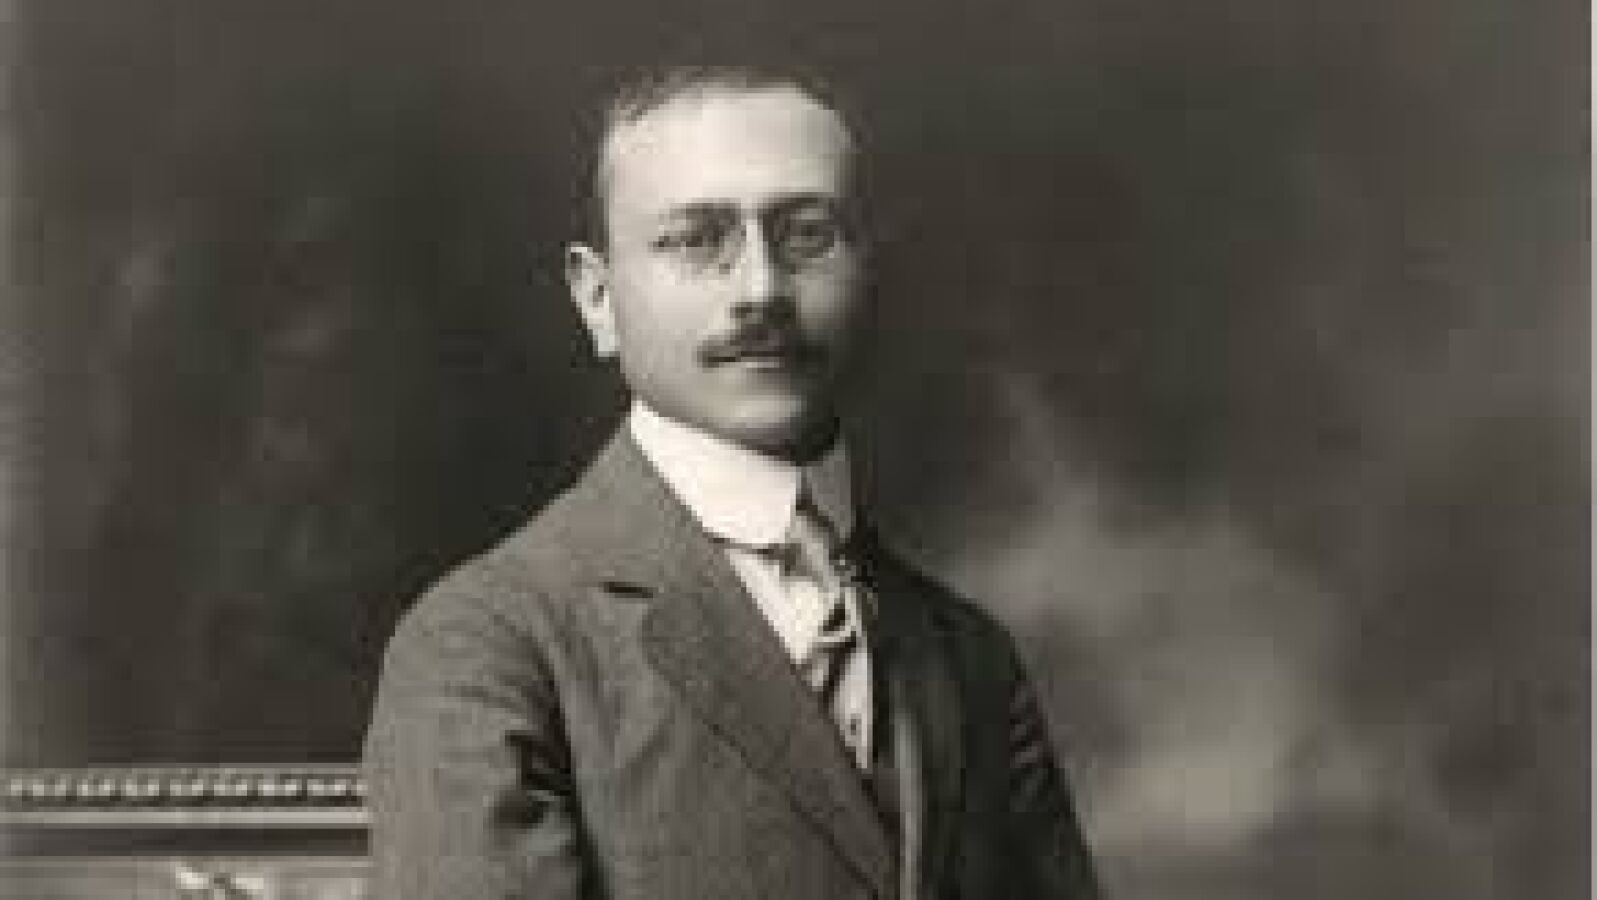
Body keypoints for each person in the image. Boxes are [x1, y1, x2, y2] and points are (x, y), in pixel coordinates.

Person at [363, 65, 1100, 899]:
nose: (760, 290)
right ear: (597, 298)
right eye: (695, 239)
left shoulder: (969, 657)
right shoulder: (489, 642)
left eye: (807, 234)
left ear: (870, 271)